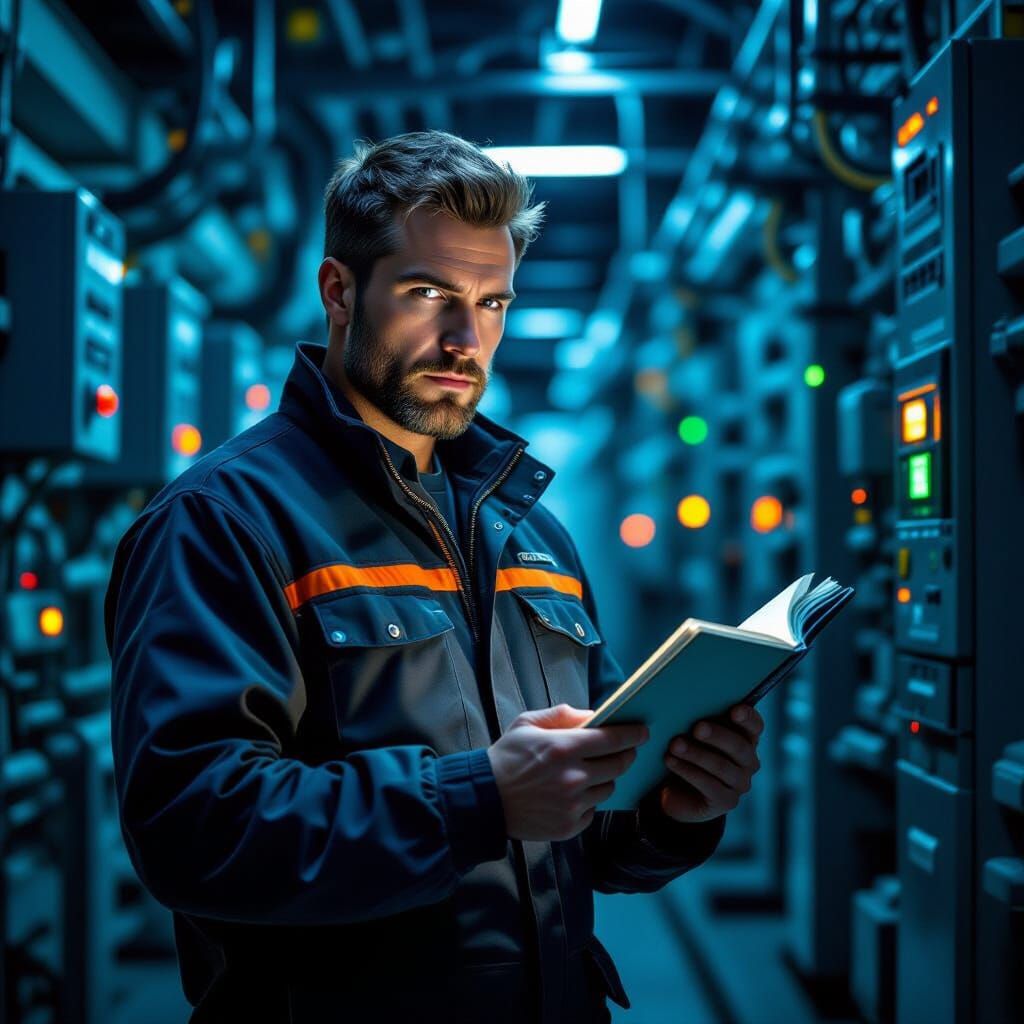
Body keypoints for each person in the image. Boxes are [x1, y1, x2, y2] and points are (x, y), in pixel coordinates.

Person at [105, 130, 764, 1024]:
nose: (467, 339)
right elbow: (192, 826)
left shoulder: (528, 528)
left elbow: (593, 840)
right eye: (429, 295)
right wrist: (479, 798)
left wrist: (676, 805)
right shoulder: (226, 520)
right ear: (340, 291)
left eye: (493, 303)